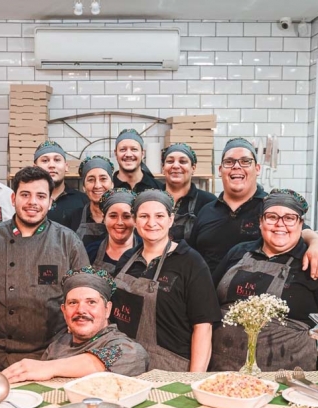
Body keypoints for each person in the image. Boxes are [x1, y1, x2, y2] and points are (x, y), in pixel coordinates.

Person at [0, 166, 90, 372]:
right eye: (25, 195)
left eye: (41, 196)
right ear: (13, 198)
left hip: (52, 354)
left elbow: (85, 299)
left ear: (50, 202)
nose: (32, 202)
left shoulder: (68, 242)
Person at [210, 189, 318, 372]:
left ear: (301, 224)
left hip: (289, 375)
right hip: (224, 369)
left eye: (290, 218)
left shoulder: (314, 263)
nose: (280, 224)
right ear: (260, 221)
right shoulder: (238, 252)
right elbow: (208, 303)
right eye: (272, 217)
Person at [188, 138, 318, 277]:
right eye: (229, 162)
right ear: (220, 170)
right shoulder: (207, 211)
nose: (236, 166)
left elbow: (302, 231)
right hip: (209, 296)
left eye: (245, 161)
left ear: (257, 169)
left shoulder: (271, 207)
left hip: (258, 296)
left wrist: (317, 244)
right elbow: (192, 255)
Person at [112, 190, 221, 372]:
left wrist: (191, 380)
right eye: (144, 216)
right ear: (135, 220)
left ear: (171, 220)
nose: (151, 223)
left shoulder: (191, 262)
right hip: (126, 363)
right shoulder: (127, 260)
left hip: (171, 366)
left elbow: (203, 327)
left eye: (159, 216)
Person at [3, 267, 149, 383]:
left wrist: (49, 367)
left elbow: (134, 355)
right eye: (73, 303)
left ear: (107, 309)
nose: (81, 310)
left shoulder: (123, 347)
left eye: (91, 302)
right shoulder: (56, 346)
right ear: (64, 310)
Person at [161, 143, 216, 242]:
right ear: (163, 168)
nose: (176, 166)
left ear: (193, 168)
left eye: (183, 161)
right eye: (170, 161)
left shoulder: (208, 202)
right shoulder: (150, 200)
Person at [85, 189, 139, 275]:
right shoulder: (90, 251)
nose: (119, 223)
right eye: (113, 216)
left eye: (126, 216)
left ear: (135, 219)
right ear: (104, 218)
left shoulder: (146, 251)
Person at [35, 140, 89, 226]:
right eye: (45, 160)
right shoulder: (28, 202)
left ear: (66, 167)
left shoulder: (83, 201)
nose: (51, 165)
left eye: (57, 160)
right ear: (35, 167)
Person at [67, 155, 114, 246]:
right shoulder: (73, 218)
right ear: (84, 187)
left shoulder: (121, 217)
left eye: (103, 179)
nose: (97, 185)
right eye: (91, 180)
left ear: (112, 184)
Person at [112, 129, 164, 194]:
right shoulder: (108, 187)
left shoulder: (159, 189)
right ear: (116, 154)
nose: (128, 154)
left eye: (134, 149)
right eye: (123, 149)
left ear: (142, 154)